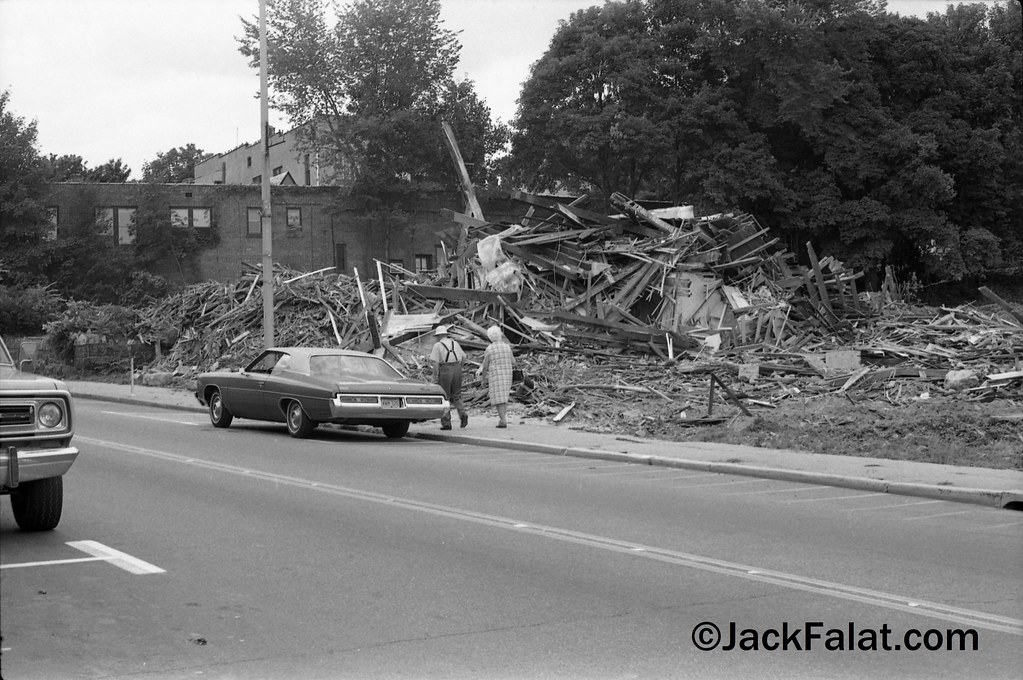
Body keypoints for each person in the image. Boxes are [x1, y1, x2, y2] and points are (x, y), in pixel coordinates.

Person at [429, 325, 468, 430]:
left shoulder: (438, 345)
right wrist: (459, 367)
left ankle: (446, 422)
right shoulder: (455, 343)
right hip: (457, 368)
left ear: (438, 335)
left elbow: (436, 363)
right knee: (456, 395)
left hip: (445, 369)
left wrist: (435, 376)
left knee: (445, 396)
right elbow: (464, 357)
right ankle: (463, 413)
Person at [476, 325, 515, 428]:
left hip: (496, 375)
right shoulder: (507, 347)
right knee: (504, 397)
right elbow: (513, 361)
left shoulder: (489, 348)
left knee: (498, 398)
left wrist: (483, 378)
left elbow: (485, 366)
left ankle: (503, 420)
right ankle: (503, 419)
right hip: (507, 374)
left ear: (490, 337)